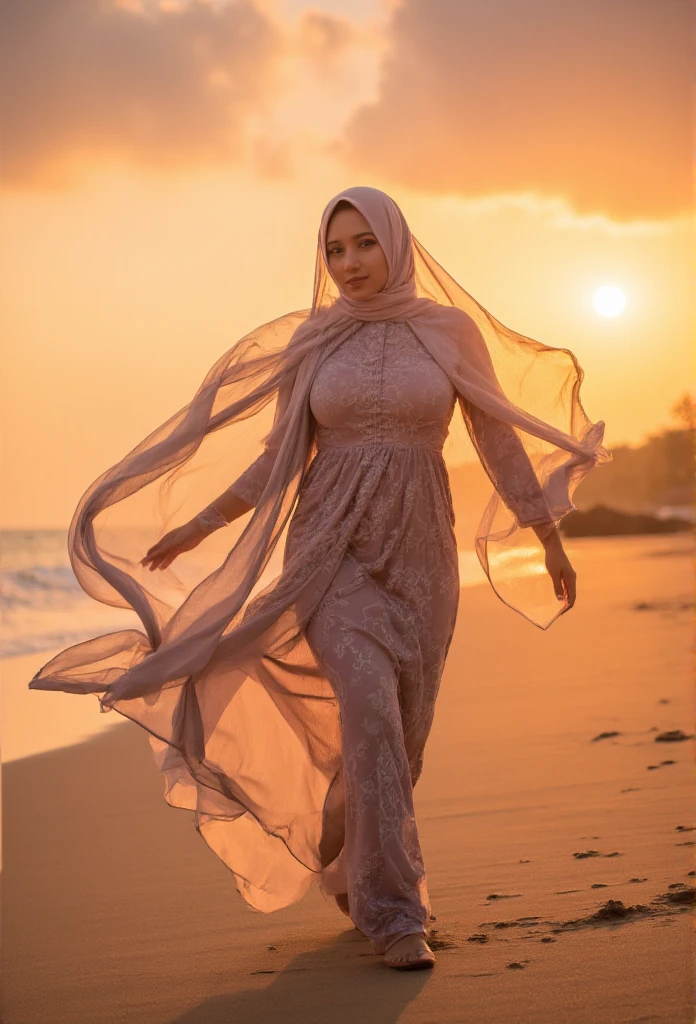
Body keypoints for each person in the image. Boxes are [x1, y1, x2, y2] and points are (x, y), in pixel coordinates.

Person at [29, 186, 611, 971]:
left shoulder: (448, 331)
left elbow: (497, 438)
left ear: (397, 244)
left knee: (400, 737)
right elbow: (279, 457)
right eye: (334, 250)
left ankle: (343, 830)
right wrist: (202, 523)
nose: (348, 264)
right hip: (327, 552)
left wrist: (546, 535)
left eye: (364, 244)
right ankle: (397, 913)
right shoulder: (317, 339)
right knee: (369, 711)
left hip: (420, 554)